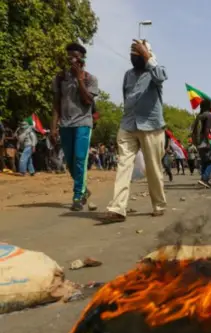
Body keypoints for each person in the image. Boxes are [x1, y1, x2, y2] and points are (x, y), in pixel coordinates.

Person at [101, 39, 168, 223]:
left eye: (138, 54)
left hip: (151, 126)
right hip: (128, 125)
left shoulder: (155, 71)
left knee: (153, 168)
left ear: (146, 55)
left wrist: (147, 55)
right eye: (132, 53)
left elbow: (161, 77)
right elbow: (126, 96)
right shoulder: (128, 75)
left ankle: (159, 204)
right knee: (123, 165)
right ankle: (117, 208)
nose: (133, 57)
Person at [52, 42, 99, 210]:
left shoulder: (90, 79)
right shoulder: (59, 78)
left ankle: (77, 196)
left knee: (80, 159)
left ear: (82, 60)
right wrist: (53, 127)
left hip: (83, 123)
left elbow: (87, 100)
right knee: (70, 163)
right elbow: (56, 103)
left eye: (76, 57)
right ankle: (84, 189)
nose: (72, 61)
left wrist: (79, 79)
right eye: (69, 57)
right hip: (65, 123)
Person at [192, 99, 211, 188]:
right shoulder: (209, 115)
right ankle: (204, 179)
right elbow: (207, 129)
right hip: (208, 140)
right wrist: (208, 141)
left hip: (199, 142)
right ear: (209, 106)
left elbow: (194, 130)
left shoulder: (199, 116)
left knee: (204, 161)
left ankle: (204, 181)